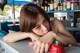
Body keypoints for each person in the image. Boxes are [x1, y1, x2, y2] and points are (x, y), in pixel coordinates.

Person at [3, 4, 77, 53]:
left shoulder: (54, 23)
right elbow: (6, 38)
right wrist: (29, 34)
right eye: (38, 27)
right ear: (29, 29)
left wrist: (54, 34)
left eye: (44, 21)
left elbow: (74, 42)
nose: (45, 28)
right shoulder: (29, 32)